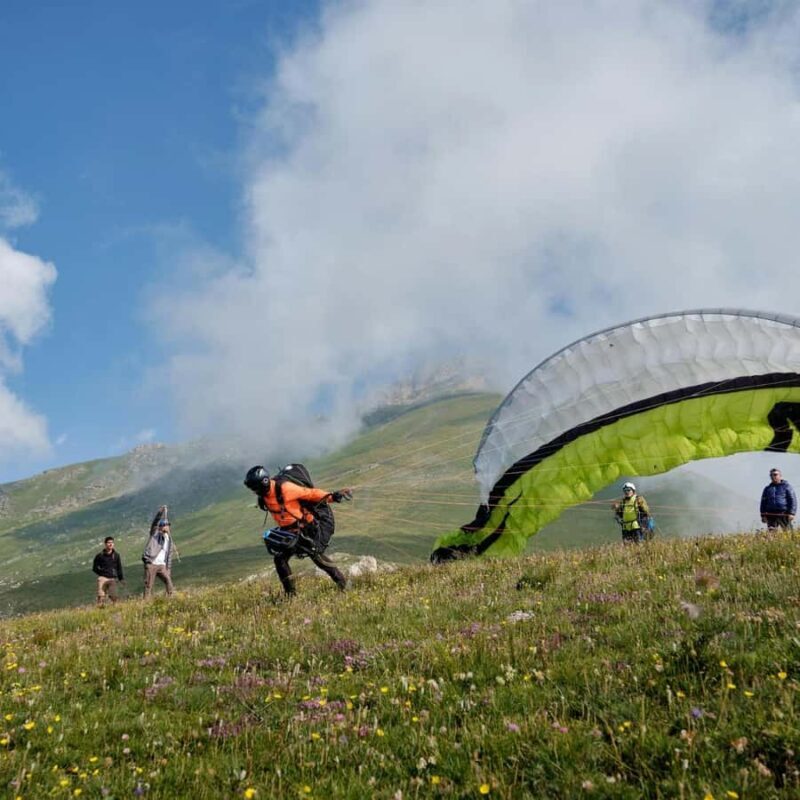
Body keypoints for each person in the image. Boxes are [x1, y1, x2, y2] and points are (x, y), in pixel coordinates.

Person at [243, 466, 352, 596]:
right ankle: (291, 595)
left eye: (255, 489)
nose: (254, 492)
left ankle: (344, 586)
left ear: (263, 483)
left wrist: (333, 496)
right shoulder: (263, 496)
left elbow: (311, 494)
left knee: (318, 558)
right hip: (288, 532)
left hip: (305, 529)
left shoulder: (286, 489)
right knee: (280, 560)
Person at [142, 505, 176, 597]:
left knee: (169, 582)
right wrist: (160, 512)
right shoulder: (155, 534)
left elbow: (169, 555)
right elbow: (155, 522)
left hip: (162, 565)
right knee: (148, 585)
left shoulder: (169, 540)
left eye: (168, 525)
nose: (167, 527)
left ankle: (171, 599)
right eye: (165, 525)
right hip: (151, 563)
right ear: (160, 527)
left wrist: (168, 569)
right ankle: (145, 603)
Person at [92, 536, 124, 605]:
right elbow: (94, 568)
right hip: (103, 578)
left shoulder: (116, 555)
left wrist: (121, 578)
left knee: (114, 596)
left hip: (112, 578)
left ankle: (115, 608)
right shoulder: (100, 555)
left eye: (112, 542)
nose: (110, 544)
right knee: (101, 595)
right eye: (109, 543)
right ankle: (100, 608)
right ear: (105, 544)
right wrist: (101, 573)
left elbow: (119, 567)